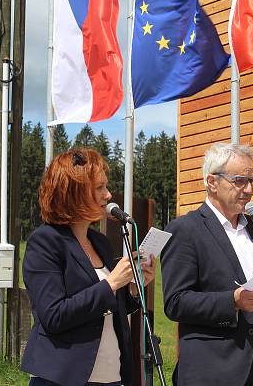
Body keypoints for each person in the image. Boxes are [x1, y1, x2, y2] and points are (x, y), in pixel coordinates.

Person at [161, 143, 253, 386]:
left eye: (252, 181)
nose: (247, 190)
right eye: (239, 181)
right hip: (217, 372)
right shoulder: (186, 230)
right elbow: (175, 302)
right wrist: (232, 301)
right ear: (212, 182)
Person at [21, 148, 156, 386]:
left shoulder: (99, 242)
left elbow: (105, 308)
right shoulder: (45, 242)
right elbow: (53, 316)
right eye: (99, 188)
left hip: (110, 377)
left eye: (106, 186)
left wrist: (133, 289)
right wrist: (112, 282)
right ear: (73, 193)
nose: (108, 194)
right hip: (63, 378)